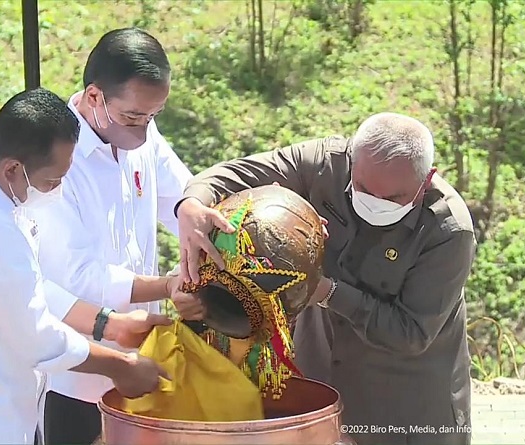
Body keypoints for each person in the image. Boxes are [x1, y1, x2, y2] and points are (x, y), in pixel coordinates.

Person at [0, 88, 173, 445]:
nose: (55, 190)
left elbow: (24, 285)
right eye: (51, 180)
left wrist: (108, 325)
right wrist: (121, 367)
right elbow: (36, 335)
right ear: (13, 168)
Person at [173, 112, 476, 445]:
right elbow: (232, 174)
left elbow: (411, 333)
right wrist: (191, 205)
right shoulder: (324, 165)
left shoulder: (448, 231)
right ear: (352, 160)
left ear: (427, 179)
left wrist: (325, 291)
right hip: (320, 384)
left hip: (405, 406)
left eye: (392, 199)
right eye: (362, 190)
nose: (374, 204)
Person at [31, 28, 193, 445]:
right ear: (94, 97)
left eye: (152, 117)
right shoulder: (53, 161)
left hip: (140, 361)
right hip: (75, 377)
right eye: (133, 118)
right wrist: (167, 285)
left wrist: (205, 223)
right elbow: (77, 277)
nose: (142, 132)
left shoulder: (142, 133)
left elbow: (181, 199)